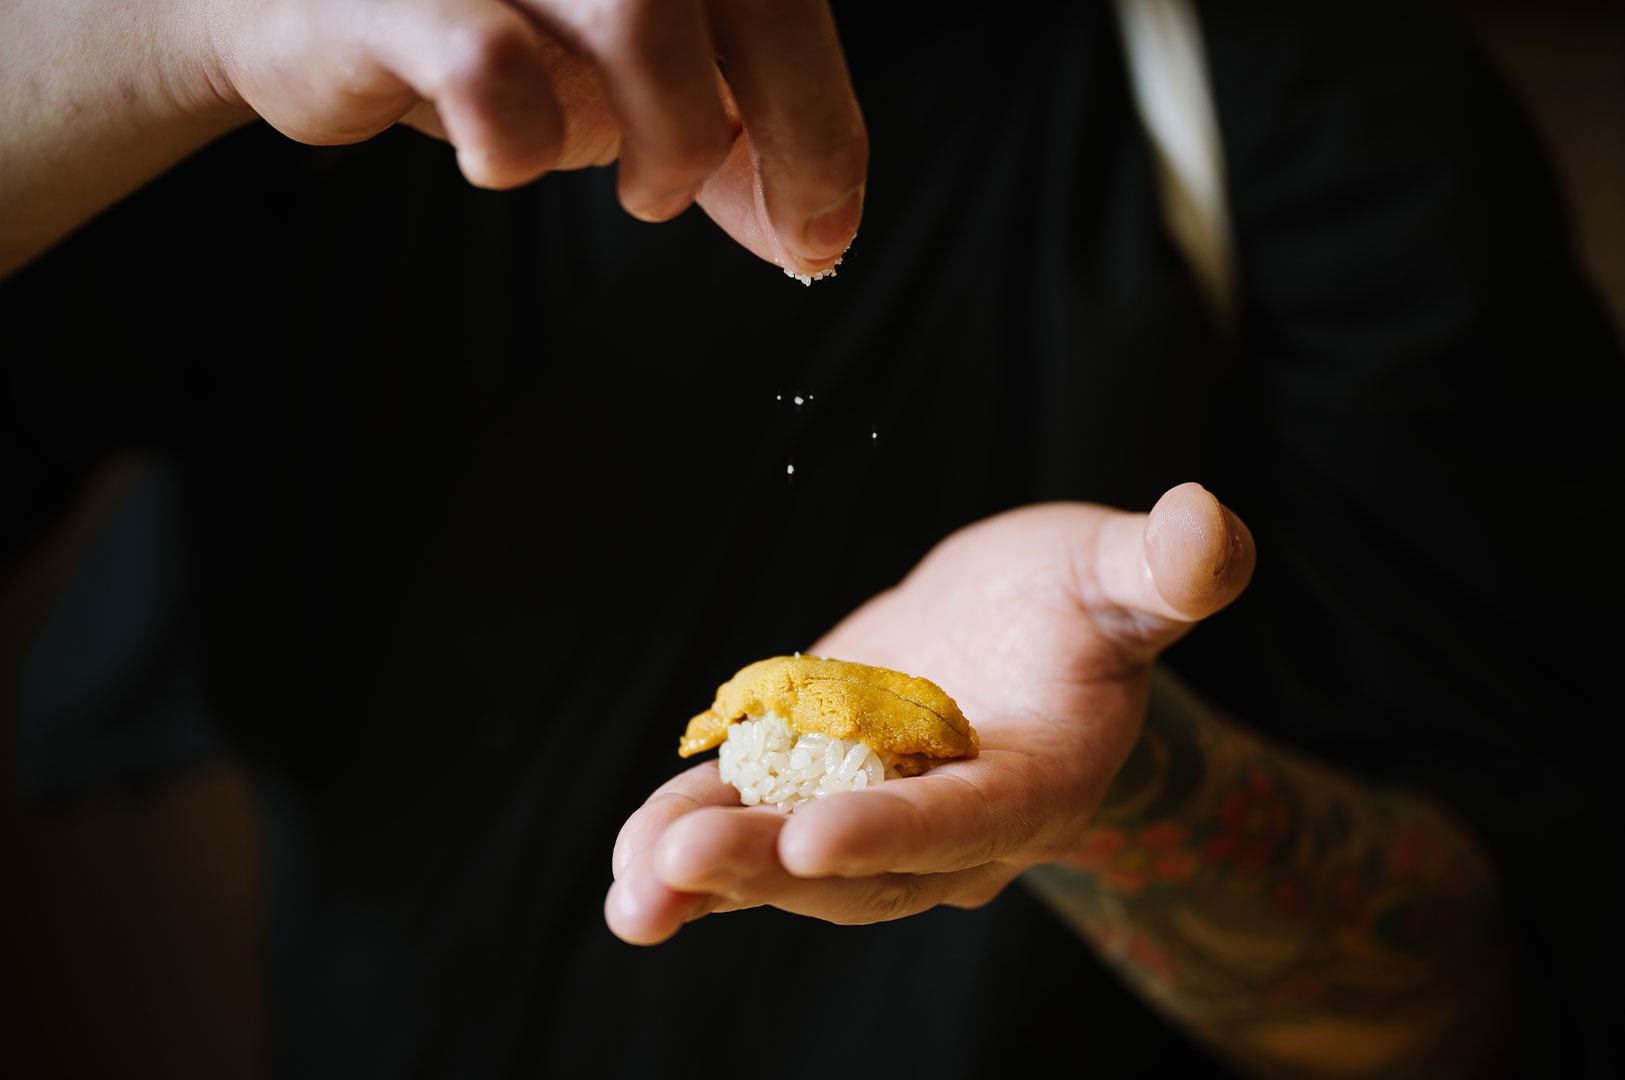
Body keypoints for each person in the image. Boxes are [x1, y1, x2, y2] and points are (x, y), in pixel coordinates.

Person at [2, 1, 1620, 1077]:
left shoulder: (1301, 91)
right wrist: (165, 37)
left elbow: (1464, 999)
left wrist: (1128, 788)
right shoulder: (301, 90)